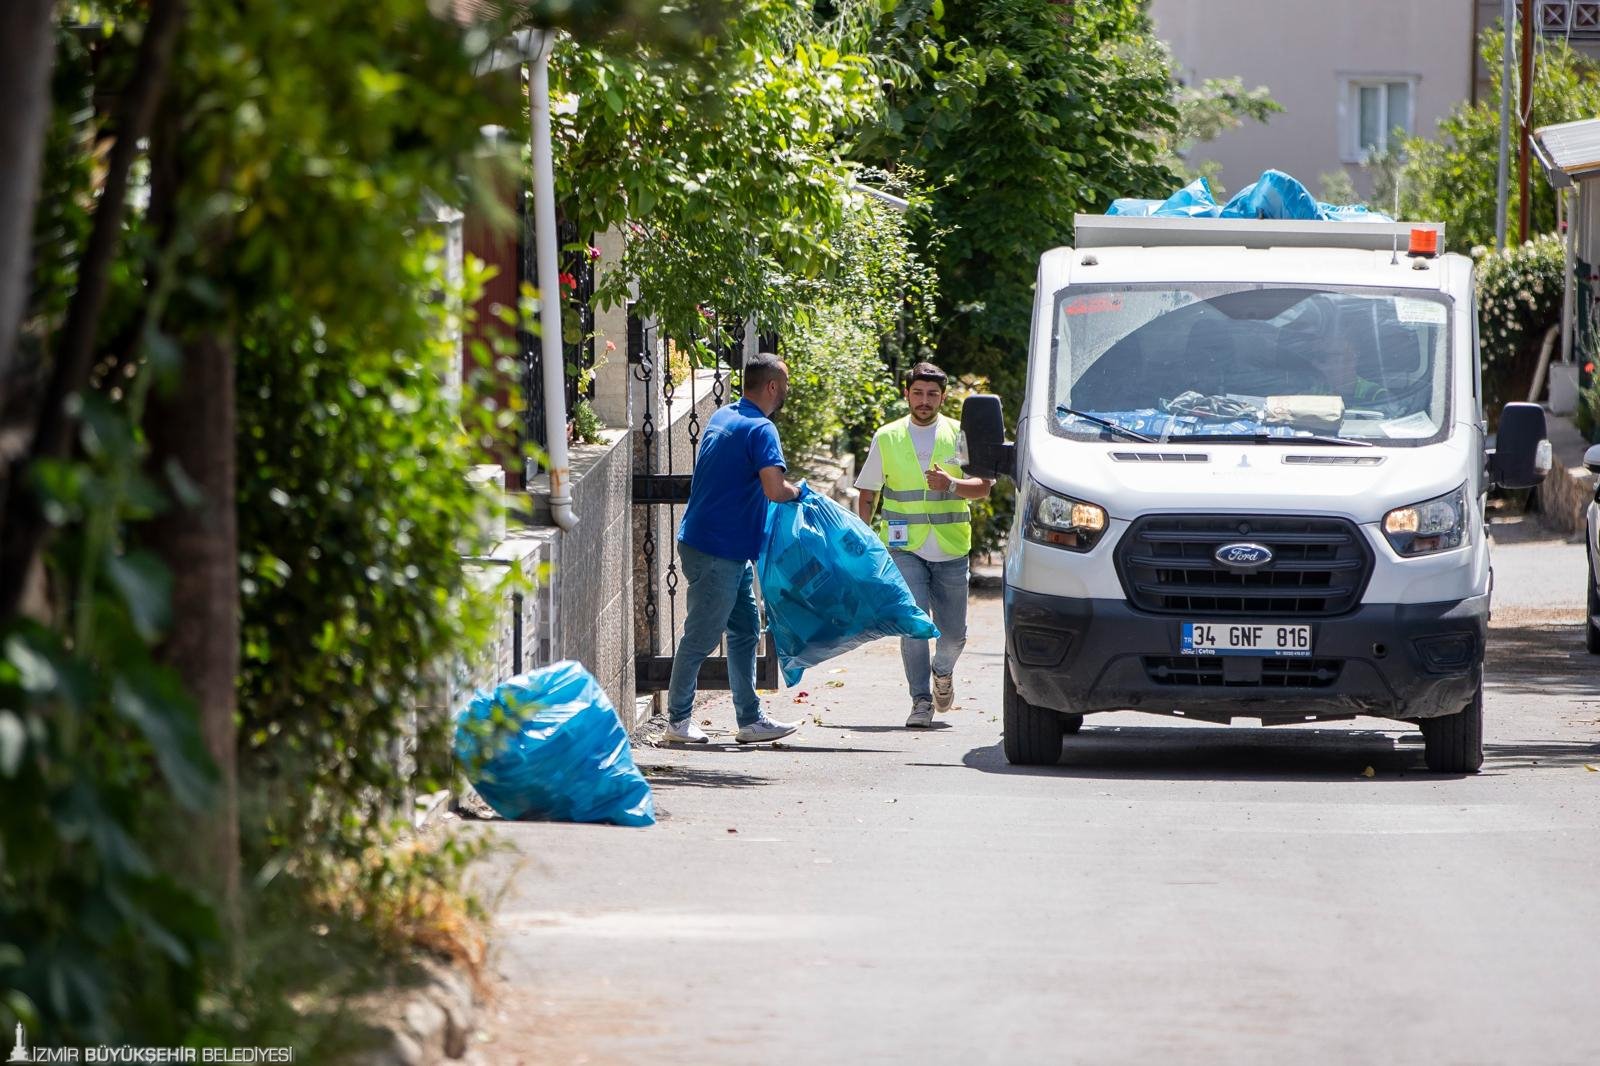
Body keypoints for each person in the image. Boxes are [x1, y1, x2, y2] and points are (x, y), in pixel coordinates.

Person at [662, 353, 804, 745]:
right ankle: (677, 722)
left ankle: (749, 719)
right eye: (785, 384)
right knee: (701, 635)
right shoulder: (762, 429)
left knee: (743, 630)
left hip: (713, 543)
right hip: (717, 549)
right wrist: (801, 493)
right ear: (773, 386)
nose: (786, 392)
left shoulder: (724, 415)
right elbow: (775, 490)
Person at [855, 362, 993, 727]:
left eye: (932, 394)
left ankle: (942, 672)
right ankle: (920, 701)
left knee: (953, 635)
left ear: (943, 397)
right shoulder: (887, 436)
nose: (924, 400)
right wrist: (865, 540)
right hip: (904, 548)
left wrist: (950, 483)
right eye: (918, 393)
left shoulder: (959, 435)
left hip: (950, 547)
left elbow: (982, 488)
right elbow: (868, 493)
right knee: (912, 624)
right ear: (907, 394)